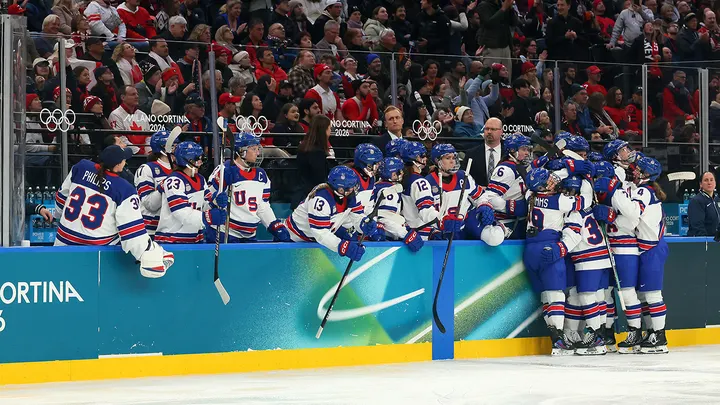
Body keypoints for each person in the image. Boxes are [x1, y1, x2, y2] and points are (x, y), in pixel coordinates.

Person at [54, 145, 174, 277]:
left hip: (61, 246)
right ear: (118, 165)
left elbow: (61, 199)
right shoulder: (124, 190)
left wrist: (59, 216)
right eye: (124, 160)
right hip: (92, 257)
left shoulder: (81, 167)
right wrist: (152, 253)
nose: (125, 162)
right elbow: (132, 235)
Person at [523, 167, 586, 355]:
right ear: (543, 185)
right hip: (549, 247)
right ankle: (558, 340)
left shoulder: (529, 195)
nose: (553, 181)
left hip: (530, 249)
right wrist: (575, 169)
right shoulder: (560, 200)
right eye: (548, 180)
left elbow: (538, 182)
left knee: (546, 296)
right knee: (557, 295)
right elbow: (584, 202)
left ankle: (555, 335)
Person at [595, 139, 644, 352]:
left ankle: (634, 331)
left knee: (626, 291)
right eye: (624, 150)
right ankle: (608, 332)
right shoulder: (613, 178)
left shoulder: (621, 180)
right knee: (605, 292)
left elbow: (632, 216)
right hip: (608, 243)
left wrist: (612, 218)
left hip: (624, 244)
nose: (629, 153)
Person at [208, 133, 291, 243]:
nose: (258, 153)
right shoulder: (225, 170)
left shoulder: (262, 176)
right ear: (242, 151)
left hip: (249, 235)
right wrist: (215, 199)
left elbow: (262, 206)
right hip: (226, 232)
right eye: (254, 149)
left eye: (258, 149)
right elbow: (206, 198)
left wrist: (273, 224)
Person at [285, 166, 380, 261]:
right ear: (339, 189)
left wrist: (363, 224)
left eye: (353, 186)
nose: (352, 190)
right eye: (349, 188)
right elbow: (320, 232)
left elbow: (357, 216)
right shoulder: (321, 199)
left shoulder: (349, 195)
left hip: (315, 239)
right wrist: (342, 246)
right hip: (294, 238)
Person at [628, 157, 669, 353]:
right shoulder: (649, 190)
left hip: (651, 248)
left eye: (639, 170)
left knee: (652, 295)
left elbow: (634, 212)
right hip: (650, 248)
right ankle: (652, 332)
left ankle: (660, 337)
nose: (635, 172)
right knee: (644, 295)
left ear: (646, 174)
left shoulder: (644, 190)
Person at [154, 141, 227, 244]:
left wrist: (214, 202)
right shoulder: (174, 181)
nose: (201, 162)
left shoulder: (201, 180)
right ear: (188, 161)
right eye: (198, 159)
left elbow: (205, 204)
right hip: (172, 241)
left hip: (194, 240)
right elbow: (181, 213)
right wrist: (208, 217)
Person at [399, 141, 462, 240]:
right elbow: (426, 210)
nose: (425, 159)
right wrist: (442, 221)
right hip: (420, 236)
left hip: (408, 233)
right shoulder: (419, 182)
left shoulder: (403, 179)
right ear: (415, 158)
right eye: (422, 156)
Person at [425, 144, 488, 240]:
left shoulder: (463, 176)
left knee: (491, 236)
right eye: (448, 158)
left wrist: (484, 205)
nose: (452, 161)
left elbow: (479, 196)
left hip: (466, 225)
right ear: (437, 161)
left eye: (454, 157)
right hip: (444, 229)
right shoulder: (427, 182)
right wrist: (434, 230)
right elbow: (425, 213)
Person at [373, 157, 424, 252]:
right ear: (393, 174)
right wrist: (405, 234)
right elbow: (384, 218)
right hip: (385, 238)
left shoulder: (379, 185)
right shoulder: (390, 191)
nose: (402, 173)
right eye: (400, 171)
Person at [134, 130, 176, 237]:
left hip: (172, 229)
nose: (176, 148)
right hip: (150, 230)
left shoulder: (180, 170)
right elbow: (150, 205)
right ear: (163, 148)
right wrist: (164, 185)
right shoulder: (147, 169)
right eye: (173, 145)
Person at [348, 144, 383, 216]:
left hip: (359, 220)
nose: (376, 167)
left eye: (377, 163)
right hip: (346, 222)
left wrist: (371, 219)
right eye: (374, 163)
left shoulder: (371, 178)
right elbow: (349, 208)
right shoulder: (350, 177)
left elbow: (369, 206)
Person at [688, 172, 720, 237]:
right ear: (701, 184)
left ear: (715, 183)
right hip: (703, 243)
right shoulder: (696, 201)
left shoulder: (716, 200)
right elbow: (697, 227)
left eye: (711, 180)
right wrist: (706, 241)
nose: (709, 183)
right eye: (706, 180)